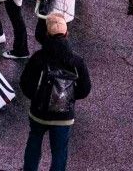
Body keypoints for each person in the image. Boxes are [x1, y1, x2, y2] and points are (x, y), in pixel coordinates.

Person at [21, 16, 91, 170]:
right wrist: (69, 98)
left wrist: (36, 98)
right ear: (66, 34)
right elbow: (85, 89)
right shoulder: (76, 61)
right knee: (59, 152)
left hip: (39, 113)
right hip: (63, 117)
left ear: (47, 34)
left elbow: (25, 84)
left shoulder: (38, 58)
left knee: (34, 143)